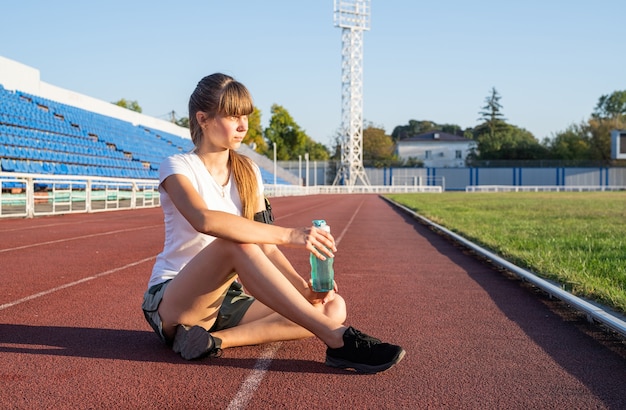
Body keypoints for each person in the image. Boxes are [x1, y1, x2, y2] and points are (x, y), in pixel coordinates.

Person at [141, 73, 405, 374]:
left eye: (246, 117)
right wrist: (292, 235)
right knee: (233, 241)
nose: (243, 126)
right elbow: (205, 220)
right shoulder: (177, 167)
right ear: (202, 119)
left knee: (333, 306)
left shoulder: (248, 172)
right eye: (232, 117)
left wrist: (304, 288)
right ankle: (339, 340)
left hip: (227, 299)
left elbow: (264, 247)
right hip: (176, 298)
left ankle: (213, 341)